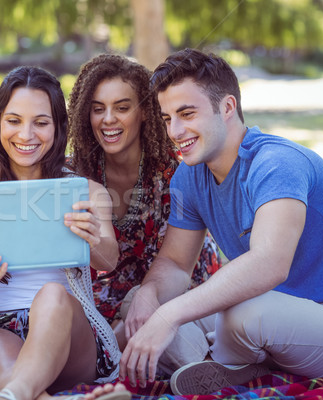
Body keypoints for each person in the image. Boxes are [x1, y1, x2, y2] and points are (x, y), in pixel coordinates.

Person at [120, 48, 323, 395]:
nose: (175, 131)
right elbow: (177, 264)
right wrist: (151, 296)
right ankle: (215, 364)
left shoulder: (276, 163)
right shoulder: (190, 176)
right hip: (275, 312)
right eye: (167, 118)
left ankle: (226, 359)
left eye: (187, 113)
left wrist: (173, 315)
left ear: (226, 108)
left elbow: (269, 264)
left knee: (243, 312)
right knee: (141, 303)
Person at [0, 66, 131, 400]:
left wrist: (92, 238)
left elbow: (109, 259)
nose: (26, 135)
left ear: (59, 128)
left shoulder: (85, 192)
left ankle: (19, 392)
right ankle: (26, 394)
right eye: (14, 121)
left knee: (52, 294)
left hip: (68, 329)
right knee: (10, 373)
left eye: (41, 123)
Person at [67, 54, 221, 358]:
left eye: (122, 108)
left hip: (179, 281)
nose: (108, 119)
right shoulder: (78, 175)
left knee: (124, 331)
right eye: (98, 109)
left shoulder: (175, 173)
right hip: (110, 288)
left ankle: (107, 356)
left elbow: (179, 265)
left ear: (145, 113)